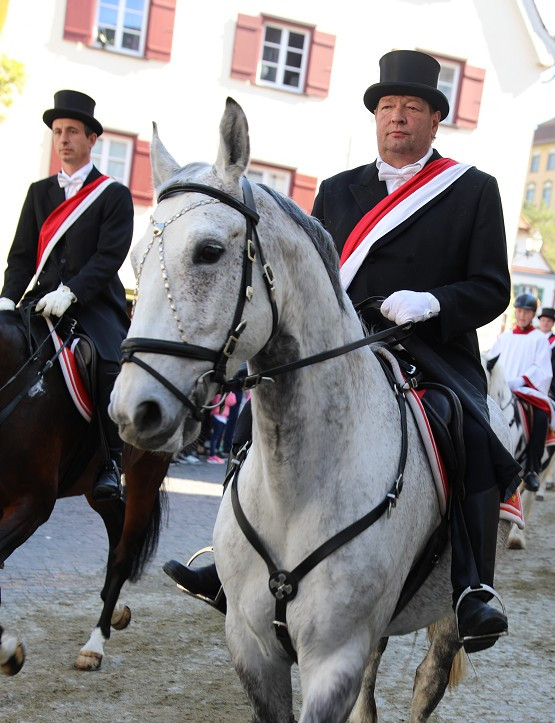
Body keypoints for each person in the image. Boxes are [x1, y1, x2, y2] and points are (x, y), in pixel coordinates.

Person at [165, 49, 520, 652]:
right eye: (388, 107)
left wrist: (433, 303)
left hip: (428, 348)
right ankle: (231, 566)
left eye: (412, 108)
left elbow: (492, 287)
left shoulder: (473, 191)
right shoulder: (337, 189)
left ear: (436, 121)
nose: (398, 118)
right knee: (266, 415)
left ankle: (471, 587)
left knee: (463, 428)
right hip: (343, 344)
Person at [0, 90, 134, 500]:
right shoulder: (39, 192)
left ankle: (110, 463)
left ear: (92, 139)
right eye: (58, 131)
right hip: (39, 301)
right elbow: (22, 255)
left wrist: (72, 292)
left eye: (72, 131)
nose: (63, 139)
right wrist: (7, 299)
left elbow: (109, 256)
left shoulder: (112, 194)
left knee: (106, 362)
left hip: (93, 303)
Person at [485, 293, 554, 491]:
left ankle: (532, 469)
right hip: (500, 388)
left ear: (533, 314)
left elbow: (541, 369)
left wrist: (520, 381)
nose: (522, 315)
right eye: (520, 311)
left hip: (524, 388)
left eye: (527, 312)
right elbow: (492, 361)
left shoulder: (539, 339)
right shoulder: (504, 337)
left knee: (541, 416)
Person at [537, 306, 555, 422]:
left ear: (553, 323)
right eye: (543, 320)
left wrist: (543, 371)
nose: (545, 323)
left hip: (550, 376)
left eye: (548, 321)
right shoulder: (533, 337)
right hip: (528, 374)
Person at [206, 391, 237, 463]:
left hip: (222, 417)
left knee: (218, 437)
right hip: (218, 416)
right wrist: (230, 393)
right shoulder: (221, 393)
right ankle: (211, 456)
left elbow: (233, 401)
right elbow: (232, 401)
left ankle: (214, 454)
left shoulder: (221, 393)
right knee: (215, 437)